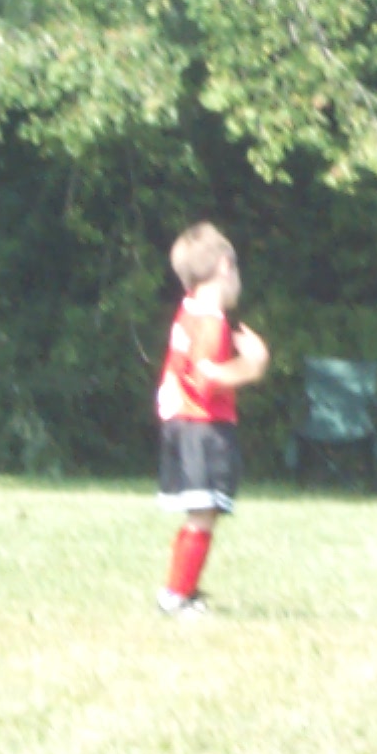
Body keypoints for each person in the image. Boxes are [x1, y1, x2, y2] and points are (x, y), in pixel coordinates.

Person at [155, 222, 269, 615]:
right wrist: (254, 365)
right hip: (202, 427)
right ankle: (176, 595)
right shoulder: (210, 320)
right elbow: (207, 379)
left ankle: (181, 589)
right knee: (203, 514)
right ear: (224, 265)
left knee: (200, 513)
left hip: (182, 424)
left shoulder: (189, 309)